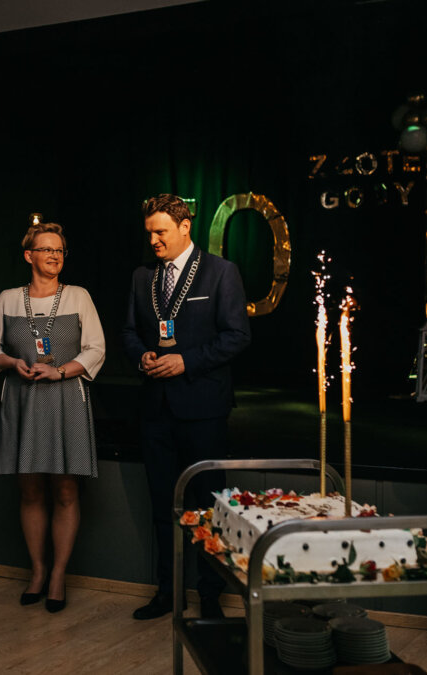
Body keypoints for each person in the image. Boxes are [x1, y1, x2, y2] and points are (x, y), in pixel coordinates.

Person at [122, 194, 251, 620]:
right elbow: (129, 332)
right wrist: (142, 355)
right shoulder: (142, 276)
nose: (153, 241)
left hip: (203, 409)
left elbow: (237, 335)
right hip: (155, 409)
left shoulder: (221, 272)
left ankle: (211, 597)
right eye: (149, 233)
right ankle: (168, 592)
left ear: (184, 227)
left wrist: (186, 361)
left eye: (160, 232)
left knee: (210, 507)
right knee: (163, 506)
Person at [0, 221, 105, 613]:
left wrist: (59, 370)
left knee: (65, 490)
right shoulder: (8, 299)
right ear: (28, 255)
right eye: (46, 249)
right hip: (23, 399)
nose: (54, 256)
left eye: (59, 250)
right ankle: (37, 571)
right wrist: (11, 362)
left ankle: (58, 575)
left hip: (66, 399)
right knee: (30, 489)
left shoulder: (79, 296)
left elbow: (96, 349)